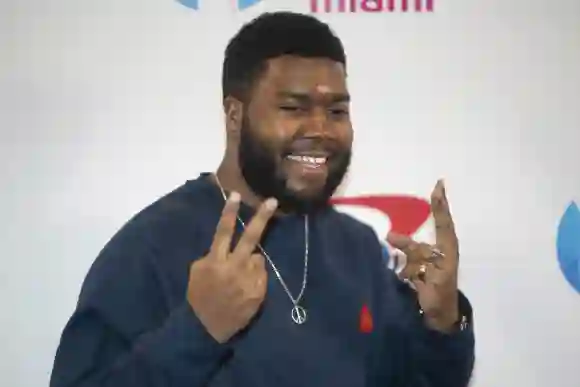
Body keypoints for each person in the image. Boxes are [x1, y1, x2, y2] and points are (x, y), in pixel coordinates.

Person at [49, 11, 475, 387]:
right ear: (235, 115)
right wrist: (197, 331)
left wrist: (440, 322)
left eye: (337, 111)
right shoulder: (150, 249)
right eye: (294, 108)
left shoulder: (359, 248)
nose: (321, 129)